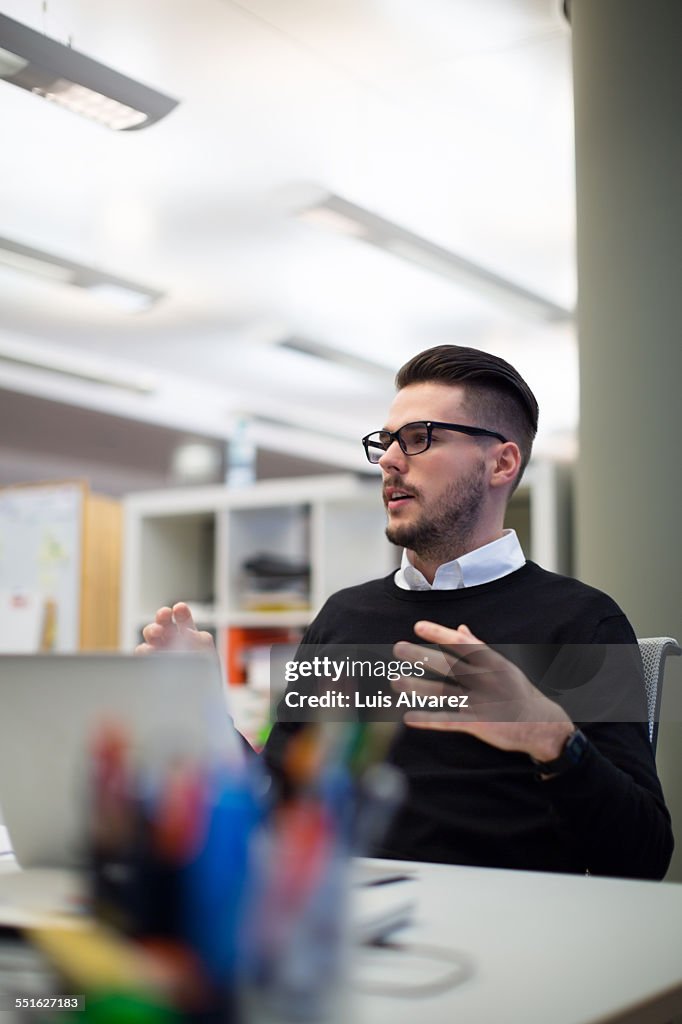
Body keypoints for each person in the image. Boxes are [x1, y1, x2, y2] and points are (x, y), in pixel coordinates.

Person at [138, 345, 673, 879]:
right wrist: (204, 710)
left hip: (507, 931)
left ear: (502, 463)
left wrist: (547, 736)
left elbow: (644, 858)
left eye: (419, 438)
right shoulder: (344, 617)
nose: (391, 460)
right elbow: (280, 810)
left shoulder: (581, 621)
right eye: (387, 442)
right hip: (346, 922)